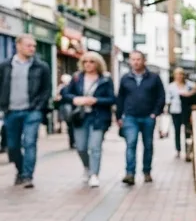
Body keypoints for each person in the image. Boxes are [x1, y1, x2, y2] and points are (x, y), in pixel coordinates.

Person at [0, 35, 52, 187]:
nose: (32, 49)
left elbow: (46, 89)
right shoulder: (5, 66)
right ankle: (20, 170)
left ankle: (28, 176)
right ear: (18, 46)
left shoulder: (41, 67)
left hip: (32, 111)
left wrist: (38, 106)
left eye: (34, 46)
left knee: (29, 142)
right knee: (13, 145)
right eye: (29, 45)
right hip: (11, 111)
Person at [60, 52, 116, 187]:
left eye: (92, 61)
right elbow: (65, 94)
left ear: (98, 63)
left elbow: (112, 99)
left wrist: (95, 100)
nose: (88, 64)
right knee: (81, 147)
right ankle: (87, 167)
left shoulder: (105, 79)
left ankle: (94, 174)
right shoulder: (77, 78)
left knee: (95, 147)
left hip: (98, 117)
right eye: (85, 61)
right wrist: (75, 99)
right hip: (80, 117)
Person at [115, 51, 165, 185]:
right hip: (130, 116)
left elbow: (161, 97)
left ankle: (147, 171)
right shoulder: (125, 78)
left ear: (144, 61)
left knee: (148, 145)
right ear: (130, 61)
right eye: (133, 60)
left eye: (138, 59)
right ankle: (130, 173)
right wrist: (119, 116)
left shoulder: (154, 78)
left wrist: (155, 113)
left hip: (148, 116)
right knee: (131, 143)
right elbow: (120, 98)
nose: (136, 62)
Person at [166, 68, 196, 158]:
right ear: (174, 75)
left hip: (186, 110)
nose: (179, 76)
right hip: (175, 110)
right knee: (177, 131)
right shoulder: (171, 86)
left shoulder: (188, 84)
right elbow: (168, 99)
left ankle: (187, 150)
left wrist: (189, 94)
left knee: (187, 131)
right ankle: (178, 149)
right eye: (177, 74)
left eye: (181, 74)